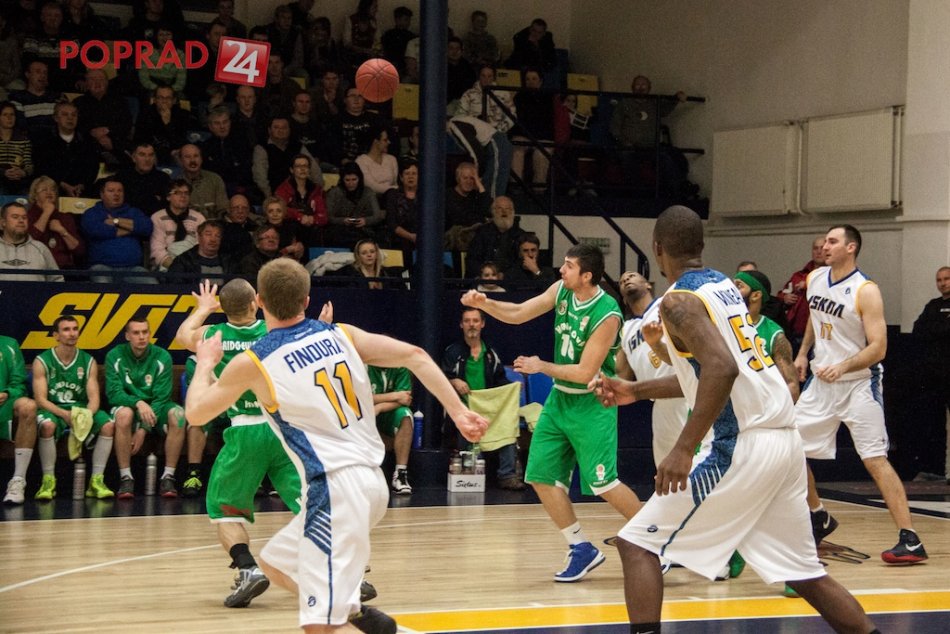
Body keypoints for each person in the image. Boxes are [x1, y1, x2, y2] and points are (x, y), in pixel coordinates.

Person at [592, 206, 876, 634]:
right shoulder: (722, 285)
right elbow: (710, 372)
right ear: (701, 245)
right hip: (784, 442)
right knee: (804, 574)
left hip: (742, 444)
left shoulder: (678, 302)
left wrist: (683, 448)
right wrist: (636, 389)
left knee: (636, 544)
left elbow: (721, 368)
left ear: (656, 248)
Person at [184, 258, 488, 632]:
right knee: (276, 564)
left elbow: (196, 413)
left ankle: (339, 611)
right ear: (306, 299)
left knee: (320, 626)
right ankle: (354, 610)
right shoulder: (342, 334)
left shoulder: (255, 361)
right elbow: (416, 356)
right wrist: (458, 412)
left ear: (260, 301)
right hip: (372, 482)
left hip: (335, 488)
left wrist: (204, 364)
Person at [461, 243, 642, 581]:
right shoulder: (561, 290)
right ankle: (580, 548)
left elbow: (585, 372)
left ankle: (655, 543)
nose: (561, 269)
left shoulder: (607, 313)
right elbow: (519, 312)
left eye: (569, 266)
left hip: (592, 403)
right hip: (560, 401)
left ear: (587, 275)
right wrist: (486, 304)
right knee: (540, 476)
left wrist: (540, 365)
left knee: (604, 483)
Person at [793, 225, 927, 564]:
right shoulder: (815, 278)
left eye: (832, 241)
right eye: (824, 241)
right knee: (789, 447)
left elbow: (879, 348)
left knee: (874, 459)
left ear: (851, 247)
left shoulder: (866, 291)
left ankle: (910, 538)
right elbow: (815, 318)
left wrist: (844, 366)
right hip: (822, 382)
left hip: (858, 384)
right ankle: (818, 514)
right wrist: (803, 353)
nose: (825, 246)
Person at [176, 278, 304, 608]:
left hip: (245, 430)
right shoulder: (273, 332)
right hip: (284, 429)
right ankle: (346, 573)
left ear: (224, 307)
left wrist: (204, 308)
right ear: (254, 303)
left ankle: (249, 569)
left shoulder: (214, 335)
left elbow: (182, 336)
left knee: (224, 510)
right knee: (311, 505)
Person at [32, 315, 116, 500]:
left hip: (80, 410)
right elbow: (40, 400)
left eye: (75, 329)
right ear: (56, 335)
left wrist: (86, 415)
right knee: (47, 426)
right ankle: (48, 481)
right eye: (66, 329)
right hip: (53, 409)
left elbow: (94, 399)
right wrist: (64, 414)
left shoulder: (88, 361)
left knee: (108, 425)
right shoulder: (42, 360)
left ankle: (96, 481)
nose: (72, 333)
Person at [442, 307, 525, 490]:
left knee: (507, 424)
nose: (471, 325)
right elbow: (440, 378)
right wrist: (454, 381)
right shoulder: (452, 352)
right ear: (461, 325)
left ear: (482, 324)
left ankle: (507, 476)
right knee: (467, 429)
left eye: (475, 321)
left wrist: (513, 387)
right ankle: (472, 475)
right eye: (467, 321)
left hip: (488, 408)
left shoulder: (490, 353)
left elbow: (500, 379)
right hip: (464, 408)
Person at [614, 271, 689, 467]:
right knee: (665, 467)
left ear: (648, 284)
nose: (626, 280)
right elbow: (622, 375)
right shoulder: (626, 329)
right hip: (659, 404)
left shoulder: (666, 304)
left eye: (632, 276)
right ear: (623, 298)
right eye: (621, 281)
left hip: (685, 394)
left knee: (696, 460)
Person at [106, 317, 185, 499]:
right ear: (127, 336)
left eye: (145, 332)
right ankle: (126, 477)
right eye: (136, 333)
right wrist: (138, 402)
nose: (141, 337)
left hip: (156, 409)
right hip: (129, 406)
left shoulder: (162, 356)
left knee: (179, 414)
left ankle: (168, 477)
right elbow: (114, 393)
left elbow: (161, 397)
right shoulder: (114, 356)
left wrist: (143, 429)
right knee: (124, 415)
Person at [734, 270, 799, 399]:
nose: (732, 291)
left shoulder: (774, 334)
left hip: (758, 401)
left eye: (739, 286)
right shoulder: (721, 323)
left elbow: (791, 385)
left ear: (756, 295)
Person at [912, 266, 950, 481]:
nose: (943, 283)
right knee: (933, 424)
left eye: (946, 279)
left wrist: (938, 330)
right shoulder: (933, 306)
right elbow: (919, 329)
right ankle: (935, 469)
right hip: (934, 375)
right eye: (939, 280)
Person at [80, 177, 155, 284]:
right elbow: (95, 230)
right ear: (102, 194)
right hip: (102, 267)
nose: (116, 194)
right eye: (111, 191)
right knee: (102, 284)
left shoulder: (133, 212)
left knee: (152, 284)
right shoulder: (92, 213)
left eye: (120, 191)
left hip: (133, 268)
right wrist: (132, 228)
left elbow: (147, 227)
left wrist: (116, 221)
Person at [33, 100, 99, 198]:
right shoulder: (44, 140)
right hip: (52, 189)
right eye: (65, 114)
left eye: (74, 115)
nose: (70, 118)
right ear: (56, 118)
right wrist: (62, 184)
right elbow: (41, 167)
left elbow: (93, 167)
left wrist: (82, 184)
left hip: (81, 191)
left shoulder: (87, 140)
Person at [1, 334, 37, 505]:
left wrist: (7, 393)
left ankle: (18, 480)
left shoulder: (9, 344)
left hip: (5, 401)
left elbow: (19, 383)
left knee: (28, 406)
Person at [367, 364, 414, 494]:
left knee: (405, 415)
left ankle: (400, 474)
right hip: (365, 411)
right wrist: (394, 395)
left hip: (387, 412)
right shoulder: (363, 365)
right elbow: (358, 398)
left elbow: (406, 399)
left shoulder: (399, 366)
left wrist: (380, 407)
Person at [74, 69, 132, 169]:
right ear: (86, 83)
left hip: (115, 141)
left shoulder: (120, 101)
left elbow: (126, 123)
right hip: (89, 143)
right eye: (92, 79)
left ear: (107, 83)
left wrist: (108, 131)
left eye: (101, 79)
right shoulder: (78, 103)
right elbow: (76, 125)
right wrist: (92, 132)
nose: (97, 82)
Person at [778, 236, 827, 352]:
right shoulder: (799, 275)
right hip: (796, 333)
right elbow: (781, 294)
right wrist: (785, 298)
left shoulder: (833, 274)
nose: (819, 251)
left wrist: (809, 284)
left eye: (822, 248)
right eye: (815, 248)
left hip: (820, 334)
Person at [26, 176, 85, 270]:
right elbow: (28, 242)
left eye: (52, 190)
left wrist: (62, 231)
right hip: (35, 267)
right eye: (44, 190)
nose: (49, 192)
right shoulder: (27, 216)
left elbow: (79, 251)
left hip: (63, 268)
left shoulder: (65, 217)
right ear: (35, 196)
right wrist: (46, 213)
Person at [0, 201, 64, 282]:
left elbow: (57, 280)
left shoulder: (41, 248)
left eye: (24, 217)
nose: (21, 220)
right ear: (3, 222)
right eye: (15, 217)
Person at [150, 179, 206, 271]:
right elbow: (157, 249)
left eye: (186, 193)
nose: (183, 196)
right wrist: (176, 268)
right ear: (168, 197)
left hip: (193, 266)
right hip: (167, 266)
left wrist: (189, 268)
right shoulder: (157, 217)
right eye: (177, 193)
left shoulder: (199, 218)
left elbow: (202, 246)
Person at [275, 153, 328, 250]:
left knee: (319, 230)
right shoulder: (283, 189)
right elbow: (280, 209)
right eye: (298, 166)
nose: (302, 169)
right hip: (290, 226)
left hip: (311, 227)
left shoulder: (316, 189)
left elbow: (323, 215)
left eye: (305, 166)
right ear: (292, 170)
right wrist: (299, 216)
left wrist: (313, 219)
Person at [325, 162, 384, 249]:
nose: (351, 183)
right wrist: (343, 220)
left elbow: (377, 216)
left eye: (354, 179)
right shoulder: (334, 193)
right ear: (342, 179)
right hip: (339, 231)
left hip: (364, 231)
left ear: (359, 179)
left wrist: (365, 221)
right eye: (347, 180)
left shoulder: (368, 192)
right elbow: (328, 216)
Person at [465, 196, 525, 277]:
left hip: (510, 280)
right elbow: (472, 259)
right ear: (493, 212)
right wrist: (486, 274)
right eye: (500, 208)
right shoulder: (482, 232)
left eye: (507, 208)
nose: (504, 212)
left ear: (513, 212)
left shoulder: (521, 235)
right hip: (484, 279)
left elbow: (522, 263)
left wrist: (505, 275)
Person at [166, 220, 238, 285]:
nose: (213, 239)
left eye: (217, 236)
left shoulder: (229, 262)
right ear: (199, 237)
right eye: (208, 234)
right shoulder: (183, 261)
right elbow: (174, 286)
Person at [443, 162, 490, 252]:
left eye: (472, 178)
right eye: (465, 178)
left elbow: (489, 210)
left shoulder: (476, 196)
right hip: (454, 241)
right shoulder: (447, 195)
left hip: (476, 240)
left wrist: (479, 184)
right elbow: (457, 219)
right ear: (458, 179)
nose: (468, 181)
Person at [117, 142, 172, 216]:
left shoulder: (164, 178)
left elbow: (168, 205)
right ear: (133, 158)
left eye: (151, 155)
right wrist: (153, 199)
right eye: (142, 155)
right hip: (127, 217)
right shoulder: (122, 177)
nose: (147, 159)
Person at [180, 144, 229, 218]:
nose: (192, 160)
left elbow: (223, 209)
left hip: (214, 223)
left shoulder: (215, 179)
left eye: (196, 156)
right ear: (181, 161)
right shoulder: (176, 183)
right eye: (187, 157)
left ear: (201, 159)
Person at [354, 124, 399, 198]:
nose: (389, 142)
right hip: (371, 199)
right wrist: (397, 189)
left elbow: (395, 183)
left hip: (391, 198)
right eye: (385, 140)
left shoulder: (392, 159)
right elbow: (372, 186)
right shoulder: (361, 161)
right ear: (376, 142)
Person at [0, 100, 33, 195]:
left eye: (12, 115)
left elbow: (29, 164)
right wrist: (4, 172)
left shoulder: (23, 139)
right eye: (5, 115)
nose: (9, 118)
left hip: (18, 180)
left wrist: (23, 172)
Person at [220, 194, 258, 261]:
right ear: (228, 209)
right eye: (236, 208)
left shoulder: (255, 228)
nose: (240, 211)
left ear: (248, 210)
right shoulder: (218, 228)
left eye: (244, 208)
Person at [380, 6, 415, 74]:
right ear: (397, 20)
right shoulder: (388, 35)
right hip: (393, 66)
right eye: (406, 19)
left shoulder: (411, 36)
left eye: (409, 20)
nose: (409, 23)